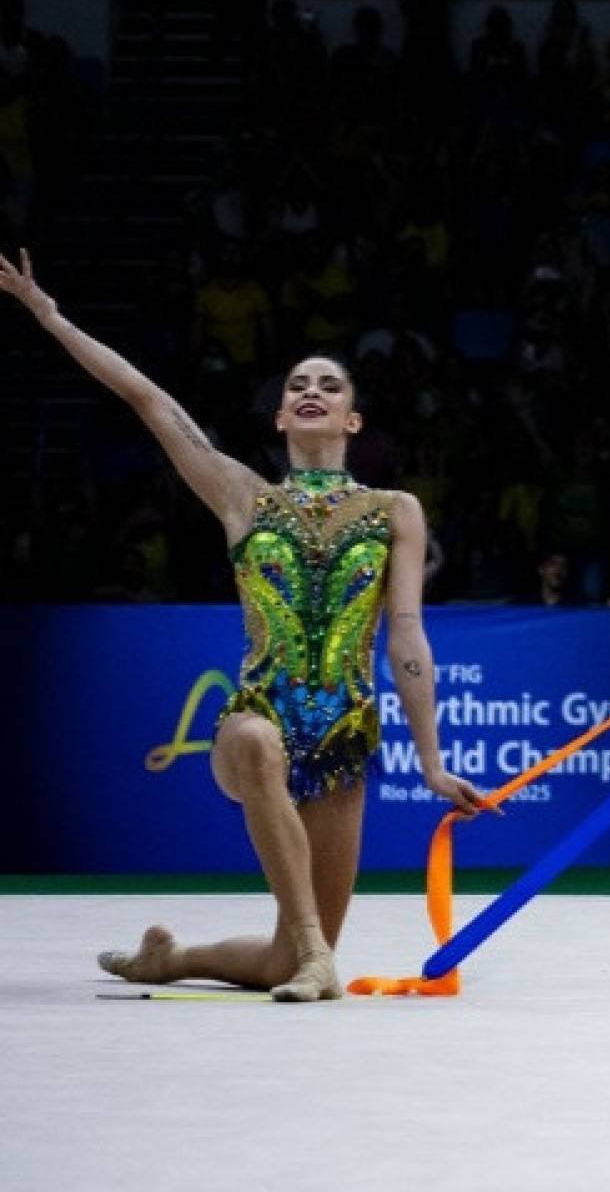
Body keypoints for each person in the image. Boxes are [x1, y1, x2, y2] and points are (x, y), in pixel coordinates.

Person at [0, 252, 486, 999]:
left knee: (282, 960)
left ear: (353, 419)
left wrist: (430, 761)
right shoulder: (244, 498)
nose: (312, 392)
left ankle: (173, 958)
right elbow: (149, 401)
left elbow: (408, 637)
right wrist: (50, 315)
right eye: (298, 386)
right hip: (255, 716)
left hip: (342, 736)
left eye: (330, 385)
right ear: (282, 417)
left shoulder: (395, 512)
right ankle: (319, 955)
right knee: (260, 749)